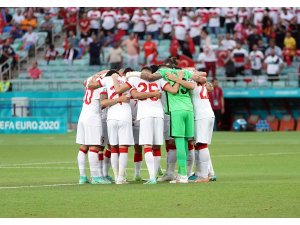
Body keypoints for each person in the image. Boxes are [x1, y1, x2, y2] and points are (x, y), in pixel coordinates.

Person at [76, 72, 111, 185]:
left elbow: (84, 82)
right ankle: (96, 177)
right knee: (95, 146)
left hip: (82, 115)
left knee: (83, 147)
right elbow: (103, 102)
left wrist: (96, 75)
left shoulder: (91, 79)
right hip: (93, 117)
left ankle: (82, 177)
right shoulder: (102, 83)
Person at [188, 75, 216, 182]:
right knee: (200, 144)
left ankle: (204, 175)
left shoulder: (192, 83)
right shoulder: (202, 84)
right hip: (208, 114)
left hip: (201, 116)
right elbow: (210, 87)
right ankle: (207, 173)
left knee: (202, 145)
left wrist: (176, 78)